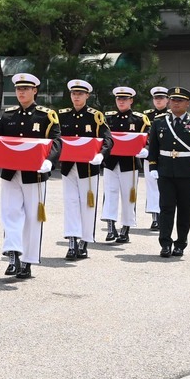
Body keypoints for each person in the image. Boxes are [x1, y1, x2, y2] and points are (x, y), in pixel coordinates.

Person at [0, 73, 62, 280]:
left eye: (26, 89)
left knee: (33, 217)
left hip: (35, 174)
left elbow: (57, 140)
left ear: (35, 91)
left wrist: (50, 160)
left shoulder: (46, 115)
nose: (21, 92)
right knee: (10, 212)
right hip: (11, 172)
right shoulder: (8, 115)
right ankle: (13, 254)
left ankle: (28, 261)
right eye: (18, 89)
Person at [147, 87, 190, 257]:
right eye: (173, 100)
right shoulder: (159, 121)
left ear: (187, 104)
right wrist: (153, 166)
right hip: (165, 172)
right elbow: (153, 146)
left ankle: (181, 243)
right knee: (166, 209)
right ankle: (165, 244)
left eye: (180, 100)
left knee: (185, 210)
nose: (175, 103)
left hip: (188, 173)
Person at [58, 79, 113, 261]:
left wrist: (101, 155)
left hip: (88, 168)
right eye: (74, 94)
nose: (76, 97)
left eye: (80, 94)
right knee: (70, 203)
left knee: (87, 205)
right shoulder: (62, 115)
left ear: (87, 96)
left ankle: (84, 241)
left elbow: (108, 139)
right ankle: (72, 241)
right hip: (68, 166)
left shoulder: (95, 116)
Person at [102, 87, 151, 244]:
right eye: (118, 99)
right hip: (111, 162)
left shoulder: (139, 119)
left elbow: (149, 138)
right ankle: (110, 226)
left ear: (131, 101)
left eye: (124, 99)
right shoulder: (108, 118)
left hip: (129, 163)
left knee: (128, 196)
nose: (121, 101)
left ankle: (126, 228)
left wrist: (146, 150)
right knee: (110, 193)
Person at [144, 86, 170, 229]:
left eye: (161, 98)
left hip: (167, 156)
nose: (158, 100)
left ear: (167, 100)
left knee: (166, 187)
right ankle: (155, 217)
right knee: (152, 186)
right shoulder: (146, 116)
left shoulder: (172, 115)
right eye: (156, 98)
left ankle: (165, 215)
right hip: (151, 155)